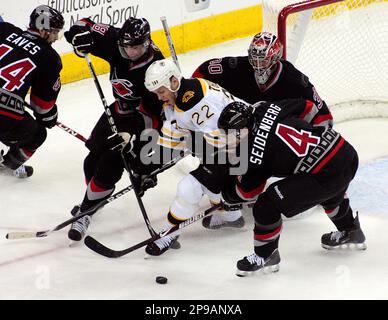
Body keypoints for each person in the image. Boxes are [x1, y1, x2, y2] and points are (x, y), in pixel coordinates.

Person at [192, 31, 334, 229]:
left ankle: (305, 188)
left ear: (275, 57)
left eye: (264, 60)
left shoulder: (294, 79)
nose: (258, 66)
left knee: (268, 169)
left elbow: (323, 116)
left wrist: (317, 150)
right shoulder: (238, 67)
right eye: (255, 59)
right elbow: (203, 72)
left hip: (276, 136)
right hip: (246, 132)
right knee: (213, 148)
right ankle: (230, 206)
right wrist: (191, 95)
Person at [217, 100, 366, 277]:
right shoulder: (266, 108)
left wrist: (227, 197)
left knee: (266, 205)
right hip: (344, 151)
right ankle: (351, 232)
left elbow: (247, 193)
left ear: (244, 129)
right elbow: (308, 106)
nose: (227, 138)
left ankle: (265, 256)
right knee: (328, 193)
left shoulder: (254, 154)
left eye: (229, 134)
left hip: (328, 172)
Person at [64, 17, 165, 241]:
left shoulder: (155, 70)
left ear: (147, 43)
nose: (129, 52)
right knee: (91, 159)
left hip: (141, 121)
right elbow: (83, 23)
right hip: (117, 111)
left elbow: (159, 116)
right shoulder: (118, 38)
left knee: (109, 167)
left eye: (136, 47)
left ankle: (85, 211)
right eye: (126, 47)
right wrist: (79, 38)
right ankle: (91, 202)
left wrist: (135, 141)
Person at [143, 58, 254, 256]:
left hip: (245, 146)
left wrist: (193, 143)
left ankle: (169, 234)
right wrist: (147, 168)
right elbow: (175, 138)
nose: (159, 97)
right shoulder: (182, 96)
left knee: (189, 188)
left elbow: (225, 142)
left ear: (174, 82)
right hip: (232, 145)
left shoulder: (195, 103)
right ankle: (231, 215)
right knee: (208, 172)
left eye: (161, 91)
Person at [0, 5, 64, 178]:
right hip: (3, 117)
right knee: (38, 134)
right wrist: (50, 117)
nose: (56, 37)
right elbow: (41, 106)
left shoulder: (5, 30)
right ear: (43, 30)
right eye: (54, 31)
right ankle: (6, 168)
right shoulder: (50, 58)